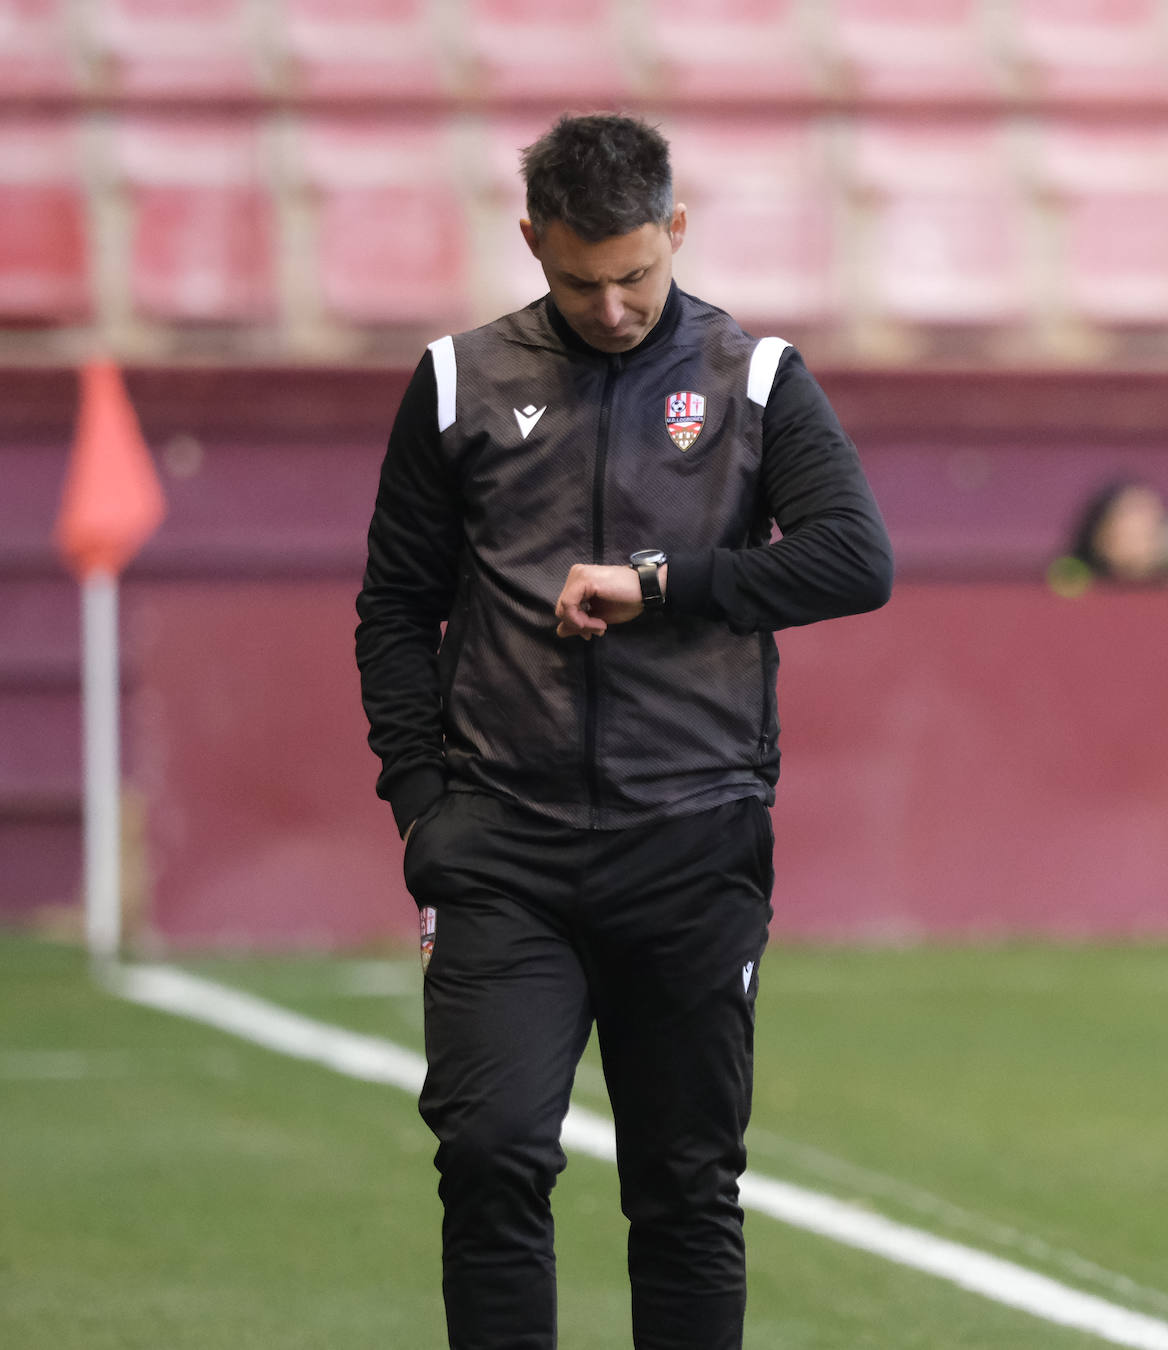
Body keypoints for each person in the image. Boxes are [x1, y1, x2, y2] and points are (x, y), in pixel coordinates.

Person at [355, 112, 894, 1350]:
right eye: (581, 280)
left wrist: (663, 582)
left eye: (637, 275)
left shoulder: (756, 380)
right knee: (491, 1157)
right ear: (533, 240)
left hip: (693, 842)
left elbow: (856, 561)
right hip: (503, 849)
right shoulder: (455, 382)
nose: (611, 307)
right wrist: (423, 809)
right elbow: (395, 608)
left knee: (686, 1187)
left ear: (679, 232)